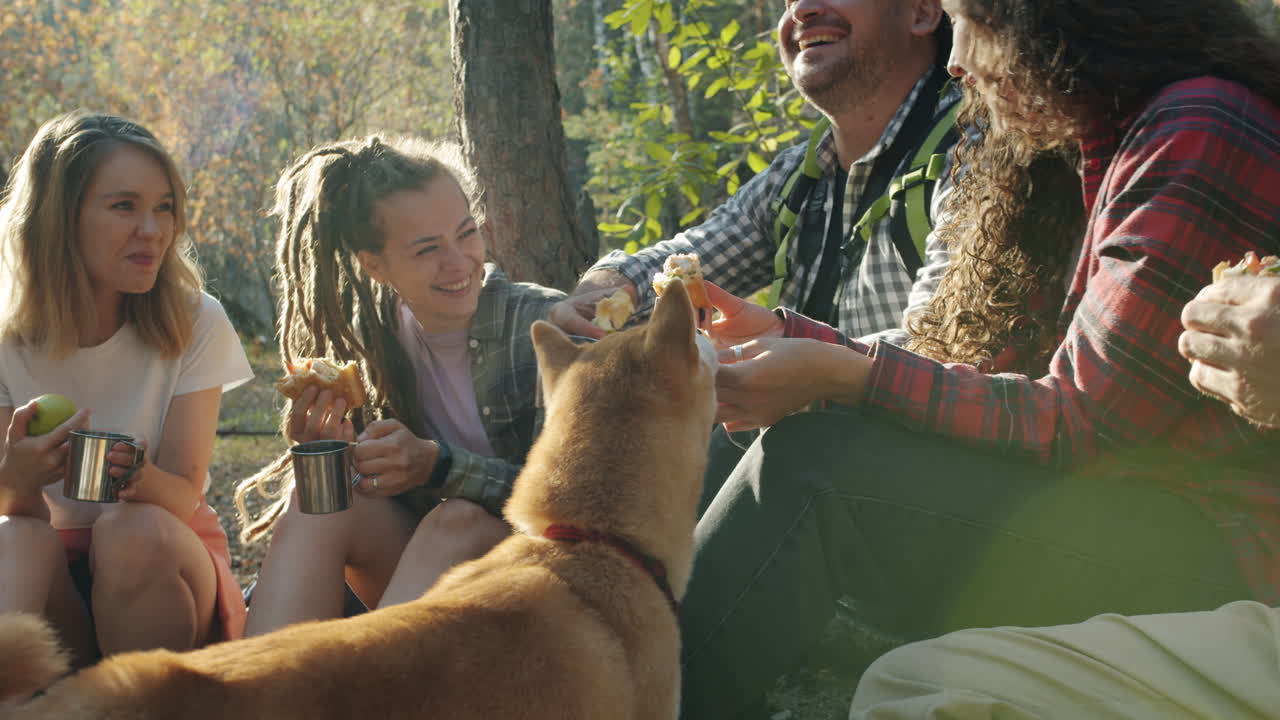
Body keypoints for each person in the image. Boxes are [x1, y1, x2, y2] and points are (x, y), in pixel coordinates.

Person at [675, 0, 1280, 716]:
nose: (957, 59)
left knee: (813, 469)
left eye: (972, 19)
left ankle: (634, 696)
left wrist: (846, 375)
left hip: (1212, 549)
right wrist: (804, 344)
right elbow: (998, 380)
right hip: (1121, 508)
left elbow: (1082, 422)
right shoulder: (1079, 153)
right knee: (739, 439)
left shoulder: (1202, 125)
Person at [846, 272, 1280, 719]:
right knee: (915, 683)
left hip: (1226, 553)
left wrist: (850, 372)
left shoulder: (1188, 202)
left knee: (915, 687)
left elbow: (1084, 420)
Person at [236, 135, 566, 635]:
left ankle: (374, 691)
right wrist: (333, 452)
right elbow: (379, 488)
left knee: (456, 519)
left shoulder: (542, 323)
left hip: (545, 586)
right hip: (428, 589)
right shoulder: (369, 339)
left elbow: (570, 503)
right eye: (428, 249)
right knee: (322, 499)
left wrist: (439, 465)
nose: (459, 262)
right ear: (376, 265)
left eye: (466, 233)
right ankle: (256, 691)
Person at [552, 0, 961, 346]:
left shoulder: (971, 152)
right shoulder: (800, 176)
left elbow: (945, 346)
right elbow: (688, 259)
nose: (801, 9)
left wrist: (792, 355)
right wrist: (605, 288)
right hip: (796, 436)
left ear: (922, 11)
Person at [0, 111, 254, 666]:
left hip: (166, 560)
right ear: (58, 220)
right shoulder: (5, 338)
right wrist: (16, 480)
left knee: (128, 529)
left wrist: (136, 475)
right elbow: (15, 513)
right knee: (14, 536)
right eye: (124, 206)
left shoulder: (194, 320)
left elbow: (184, 492)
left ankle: (150, 705)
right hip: (53, 578)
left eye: (164, 207)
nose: (154, 229)